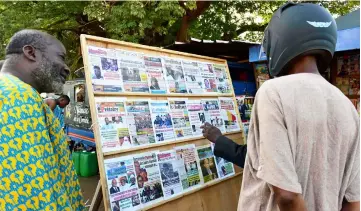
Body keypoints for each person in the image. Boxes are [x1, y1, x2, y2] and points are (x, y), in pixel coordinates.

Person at [203, 3, 360, 211]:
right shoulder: (347, 107)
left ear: (281, 41)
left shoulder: (273, 92)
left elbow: (286, 196)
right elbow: (352, 201)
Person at [0, 29, 84, 210]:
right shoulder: (15, 97)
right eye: (61, 57)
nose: (67, 67)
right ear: (30, 53)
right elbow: (29, 190)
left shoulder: (18, 93)